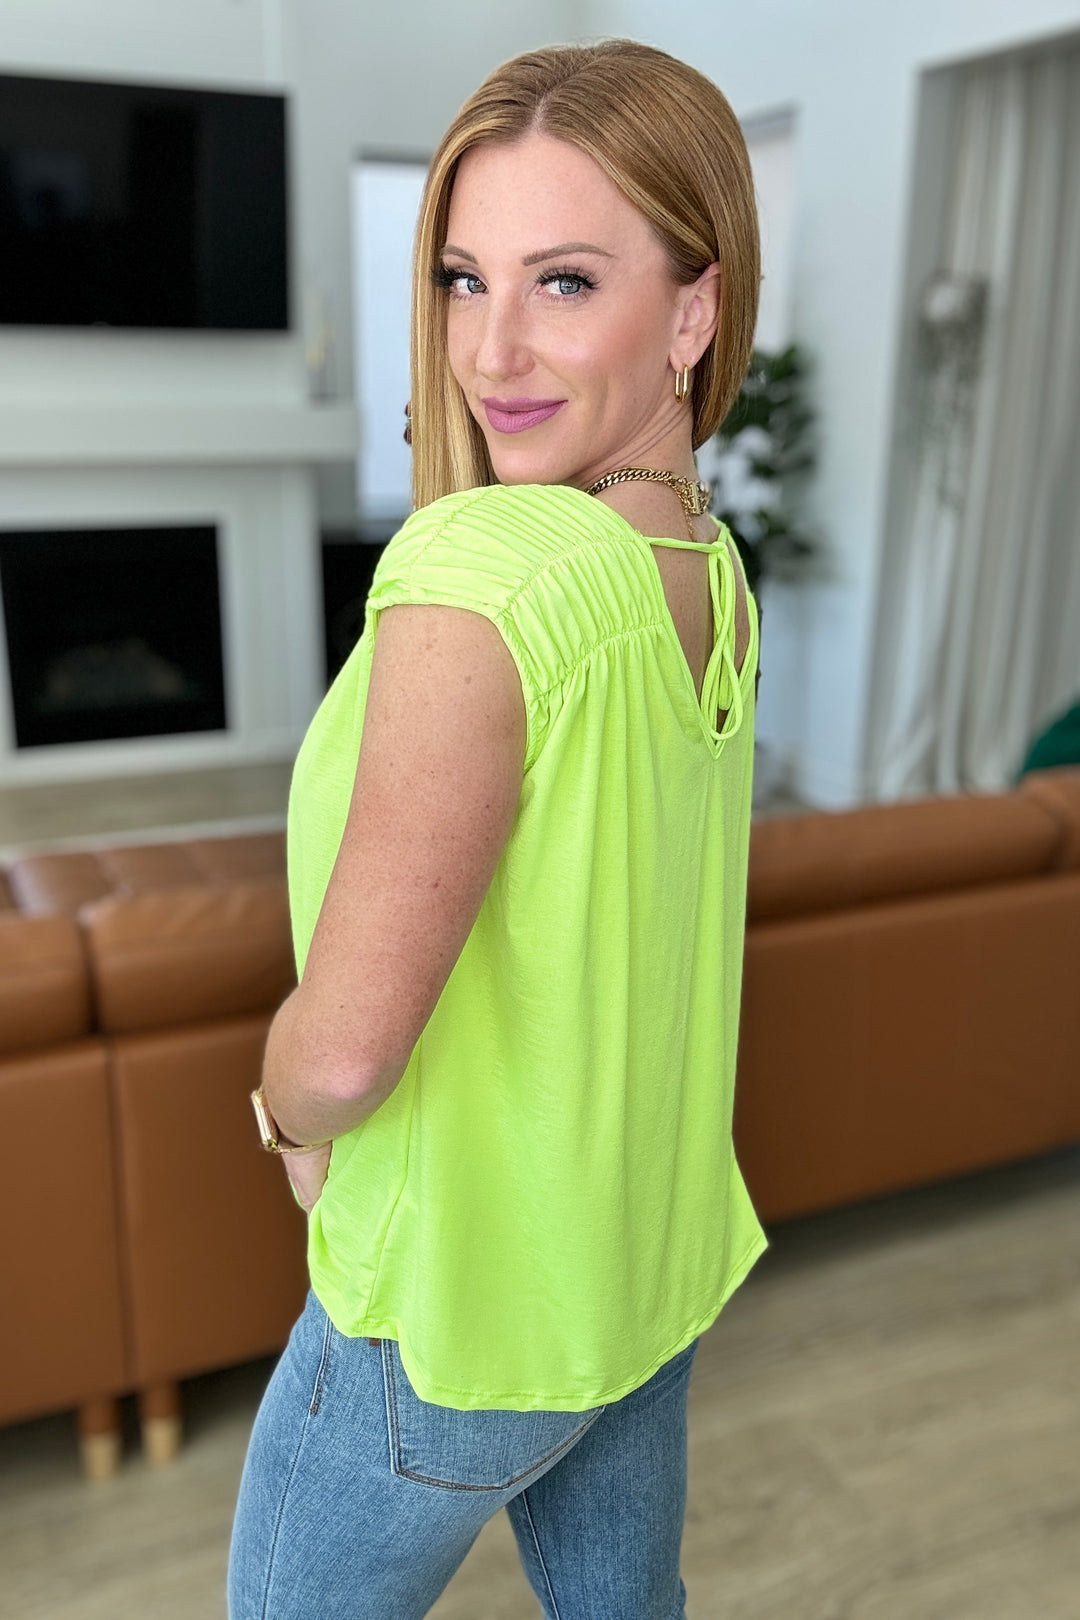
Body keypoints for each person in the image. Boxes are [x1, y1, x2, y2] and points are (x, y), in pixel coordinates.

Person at [228, 38, 765, 1620]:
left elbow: (342, 1058)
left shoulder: (482, 571)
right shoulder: (707, 571)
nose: (492, 347)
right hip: (632, 1287)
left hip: (451, 1321)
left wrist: (283, 1115)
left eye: (566, 282)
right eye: (466, 279)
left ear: (694, 313)